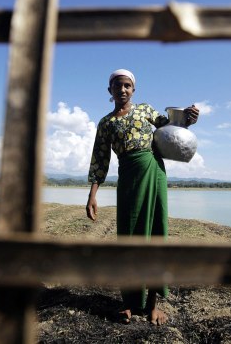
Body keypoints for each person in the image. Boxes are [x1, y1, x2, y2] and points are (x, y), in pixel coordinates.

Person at [85, 69, 199, 325]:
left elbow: (171, 127)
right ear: (110, 91)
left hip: (153, 171)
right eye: (117, 86)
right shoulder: (106, 123)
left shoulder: (145, 110)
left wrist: (189, 119)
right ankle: (130, 303)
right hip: (127, 178)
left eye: (127, 86)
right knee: (129, 237)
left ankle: (153, 305)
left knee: (155, 232)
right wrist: (92, 195)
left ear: (133, 90)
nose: (122, 90)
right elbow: (99, 160)